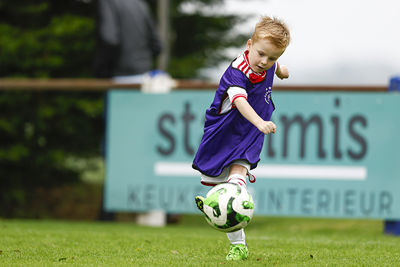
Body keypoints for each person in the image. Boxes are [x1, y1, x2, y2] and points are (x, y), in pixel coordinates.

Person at [192, 16, 290, 261]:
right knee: (218, 184)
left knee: (239, 170)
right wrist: (259, 122)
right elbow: (239, 101)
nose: (265, 62)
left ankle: (236, 197)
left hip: (248, 132)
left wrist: (282, 70)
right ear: (249, 45)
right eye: (261, 55)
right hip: (223, 130)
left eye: (273, 58)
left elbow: (276, 66)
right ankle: (223, 206)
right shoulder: (237, 72)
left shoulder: (267, 63)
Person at [93, 0, 162, 81]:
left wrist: (102, 71)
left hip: (119, 77)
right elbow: (157, 45)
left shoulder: (108, 2)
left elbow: (109, 39)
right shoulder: (140, 4)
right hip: (144, 77)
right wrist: (142, 63)